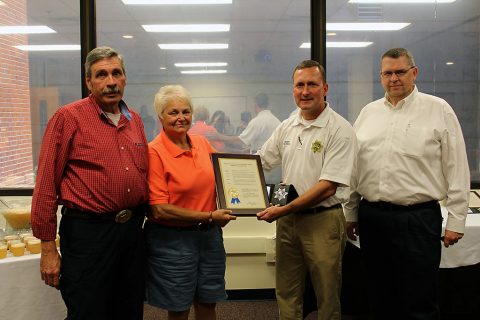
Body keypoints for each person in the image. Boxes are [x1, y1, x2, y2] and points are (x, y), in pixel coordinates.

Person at [344, 47, 470, 320]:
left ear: (414, 73)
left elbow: (457, 167)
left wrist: (457, 220)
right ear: (380, 77)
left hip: (418, 219)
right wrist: (351, 212)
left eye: (400, 72)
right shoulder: (368, 113)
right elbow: (356, 168)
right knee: (379, 294)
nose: (394, 78)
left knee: (419, 298)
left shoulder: (438, 110)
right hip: (373, 218)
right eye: (388, 73)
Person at [31, 46, 148, 320]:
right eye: (101, 75)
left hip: (131, 234)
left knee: (129, 310)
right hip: (89, 236)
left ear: (125, 78)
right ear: (88, 81)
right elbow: (46, 183)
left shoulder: (136, 121)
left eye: (116, 73)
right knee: (88, 311)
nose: (110, 82)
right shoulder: (68, 117)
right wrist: (48, 249)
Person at [256, 60, 356, 320]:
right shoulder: (287, 126)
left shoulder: (340, 129)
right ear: (293, 90)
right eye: (300, 85)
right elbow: (261, 162)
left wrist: (284, 209)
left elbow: (327, 187)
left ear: (325, 88)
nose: (305, 91)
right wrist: (226, 174)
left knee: (327, 294)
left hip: (323, 221)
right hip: (288, 221)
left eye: (312, 84)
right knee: (287, 292)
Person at [145, 85, 237, 320]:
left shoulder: (202, 143)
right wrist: (209, 216)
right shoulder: (154, 152)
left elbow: (224, 179)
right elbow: (159, 208)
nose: (181, 118)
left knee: (208, 302)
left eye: (185, 111)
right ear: (160, 117)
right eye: (173, 112)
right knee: (179, 307)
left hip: (209, 238)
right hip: (173, 242)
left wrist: (228, 207)